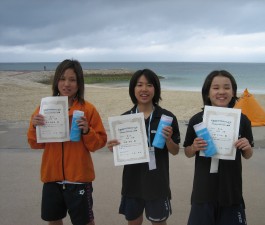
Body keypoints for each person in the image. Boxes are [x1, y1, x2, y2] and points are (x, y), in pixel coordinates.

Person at [27, 59, 107, 225]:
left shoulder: (88, 109)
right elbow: (35, 144)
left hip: (79, 179)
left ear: (79, 83)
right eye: (62, 79)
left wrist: (87, 131)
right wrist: (35, 127)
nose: (66, 84)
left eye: (72, 79)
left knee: (85, 222)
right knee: (54, 220)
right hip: (51, 178)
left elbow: (98, 144)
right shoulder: (44, 108)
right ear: (56, 81)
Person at [106, 69, 180, 225]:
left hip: (158, 183)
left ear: (156, 89)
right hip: (132, 183)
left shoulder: (167, 117)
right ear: (133, 89)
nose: (144, 89)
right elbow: (119, 150)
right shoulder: (125, 119)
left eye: (149, 85)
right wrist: (113, 147)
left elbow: (175, 151)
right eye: (139, 85)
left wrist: (168, 140)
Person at [183, 70, 254, 225]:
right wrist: (194, 147)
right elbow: (187, 152)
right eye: (216, 88)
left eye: (227, 87)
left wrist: (247, 147)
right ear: (208, 93)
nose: (221, 92)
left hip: (231, 191)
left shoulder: (242, 120)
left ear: (233, 92)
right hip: (203, 191)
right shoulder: (196, 119)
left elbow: (248, 154)